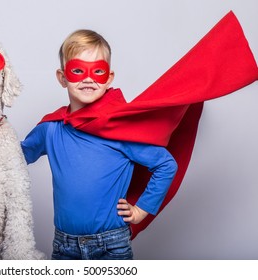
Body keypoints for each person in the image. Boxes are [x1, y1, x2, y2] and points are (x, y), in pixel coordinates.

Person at [21, 29, 178, 260]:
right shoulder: (51, 128)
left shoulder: (120, 130)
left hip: (111, 245)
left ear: (109, 78)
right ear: (62, 77)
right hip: (64, 246)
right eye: (77, 70)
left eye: (97, 71)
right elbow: (15, 157)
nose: (88, 78)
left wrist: (141, 210)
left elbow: (166, 165)